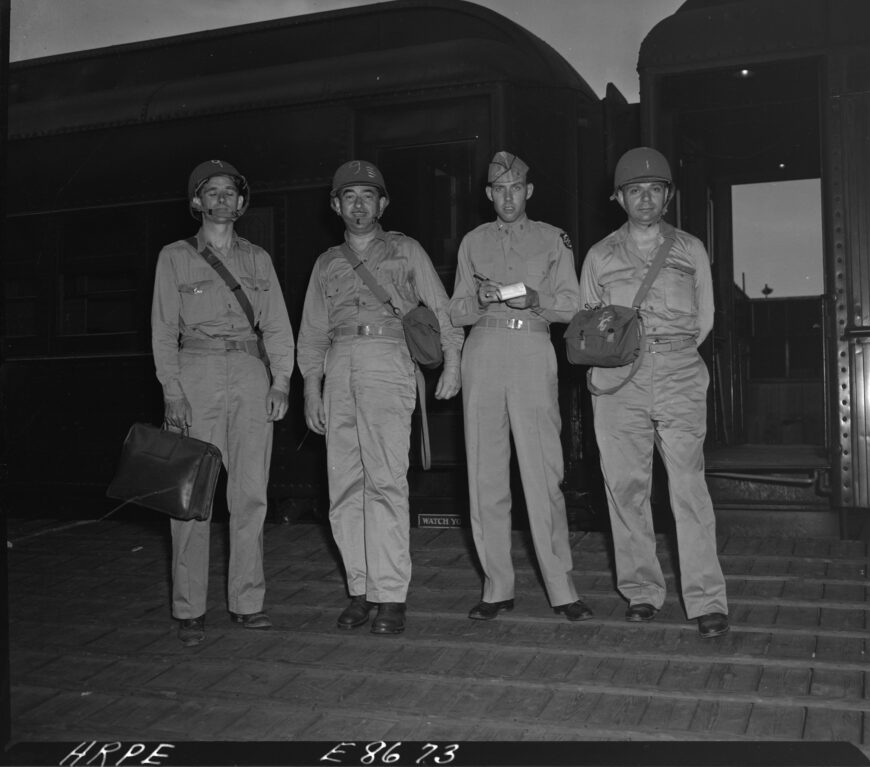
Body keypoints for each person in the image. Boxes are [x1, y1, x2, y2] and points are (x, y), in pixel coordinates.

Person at [297, 160, 463, 636]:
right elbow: (311, 333)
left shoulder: (406, 250)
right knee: (344, 485)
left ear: (383, 203)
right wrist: (311, 387)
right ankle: (361, 589)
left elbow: (442, 309)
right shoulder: (327, 263)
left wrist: (452, 363)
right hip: (338, 366)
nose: (358, 204)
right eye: (348, 196)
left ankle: (390, 595)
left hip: (388, 362)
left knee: (386, 481)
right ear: (335, 206)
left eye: (368, 196)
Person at [579, 147, 729, 638]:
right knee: (625, 486)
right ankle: (642, 591)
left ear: (667, 197)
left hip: (679, 368)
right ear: (619, 197)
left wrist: (669, 354)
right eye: (635, 190)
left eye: (655, 189)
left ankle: (707, 599)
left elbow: (704, 320)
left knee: (687, 485)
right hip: (620, 376)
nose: (646, 198)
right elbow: (589, 326)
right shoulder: (600, 255)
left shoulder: (689, 249)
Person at [152, 159, 295, 647]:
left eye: (229, 192)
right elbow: (163, 328)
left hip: (251, 375)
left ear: (241, 202)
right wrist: (172, 389)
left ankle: (247, 602)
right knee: (192, 496)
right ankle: (190, 609)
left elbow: (276, 324)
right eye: (210, 192)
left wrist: (281, 382)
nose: (220, 199)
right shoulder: (174, 256)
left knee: (251, 494)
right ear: (196, 202)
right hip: (196, 373)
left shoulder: (257, 259)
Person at [449, 151, 592, 623]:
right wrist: (480, 299)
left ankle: (561, 587)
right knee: (484, 474)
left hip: (532, 350)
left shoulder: (554, 239)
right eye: (498, 189)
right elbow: (457, 310)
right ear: (488, 194)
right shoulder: (472, 242)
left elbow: (573, 306)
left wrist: (537, 299)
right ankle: (496, 587)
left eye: (516, 188)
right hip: (484, 352)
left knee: (542, 472)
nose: (507, 197)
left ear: (528, 191)